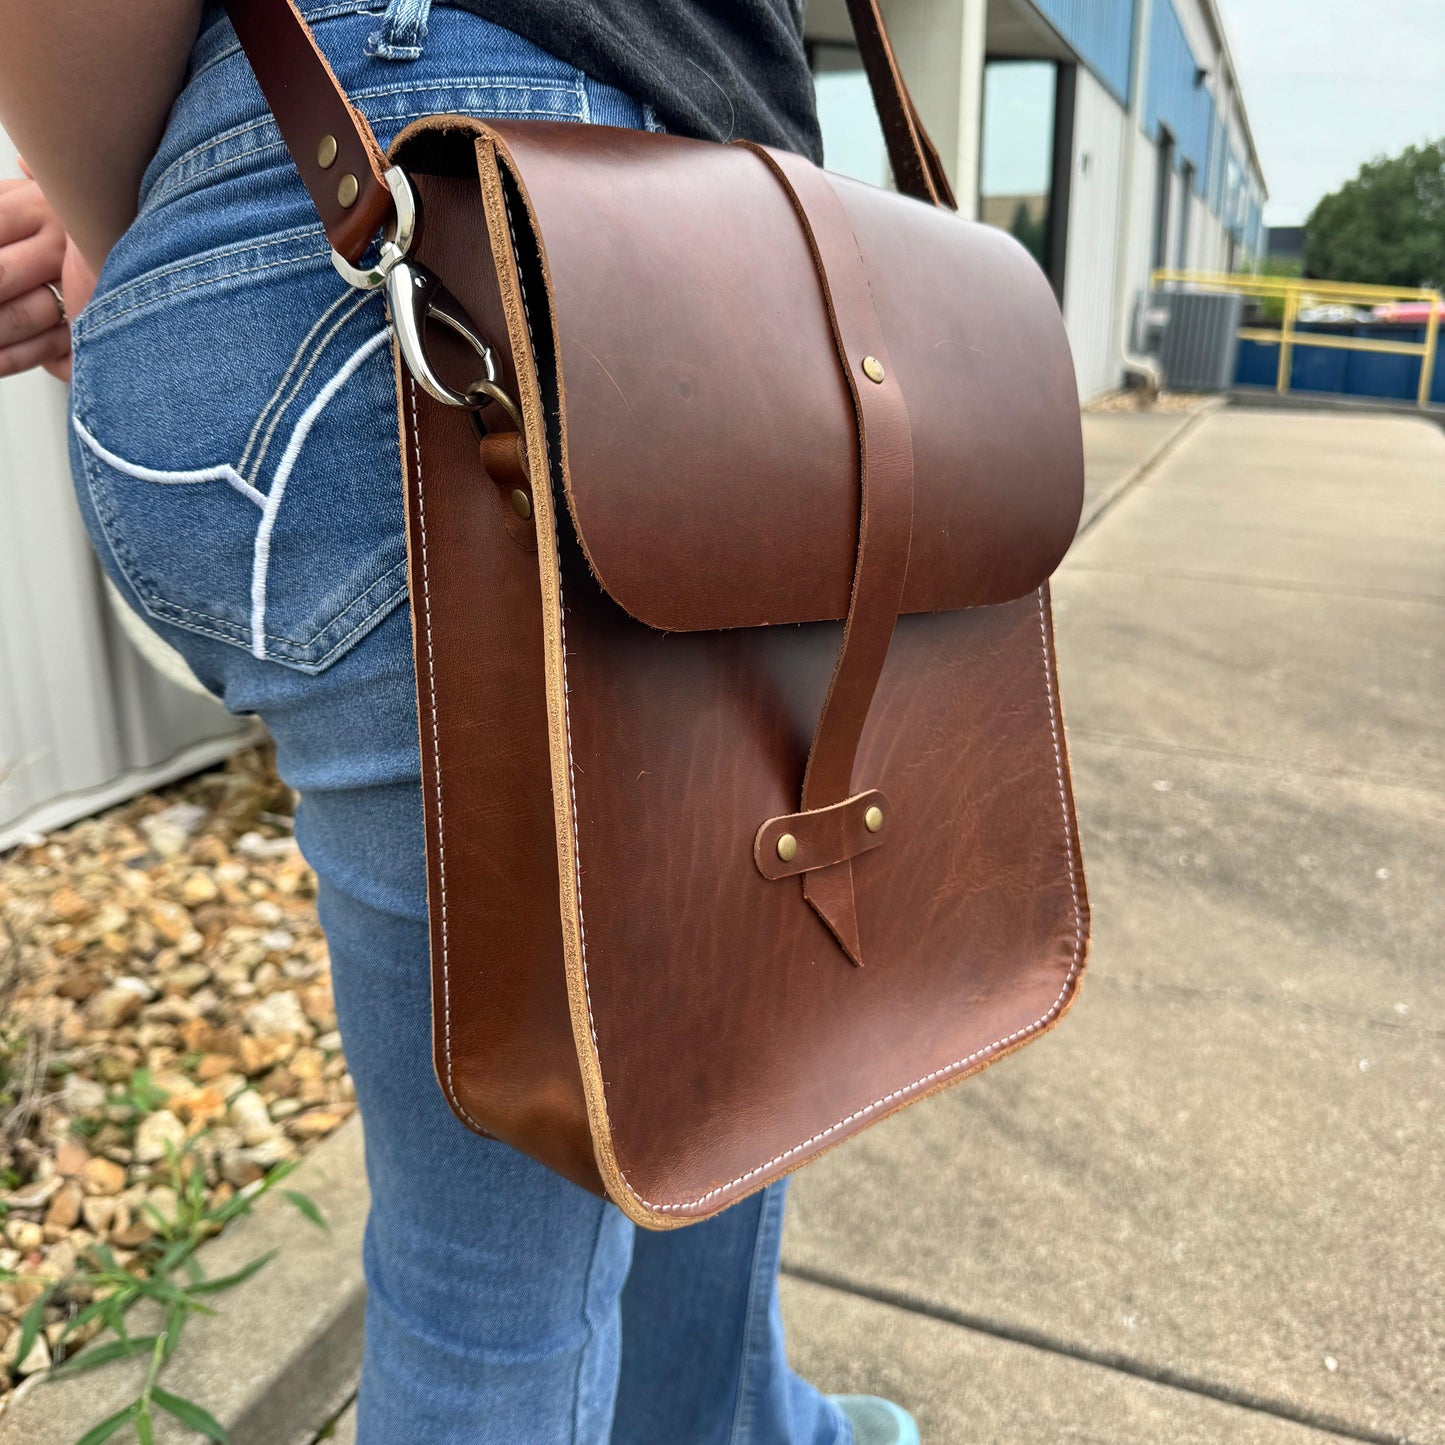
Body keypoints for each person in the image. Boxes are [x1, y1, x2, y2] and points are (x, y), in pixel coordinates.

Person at [0, 4, 922, 1442]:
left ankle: (737, 1422)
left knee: (716, 993)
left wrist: (139, 226)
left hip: (544, 249)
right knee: (492, 1271)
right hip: (504, 240)